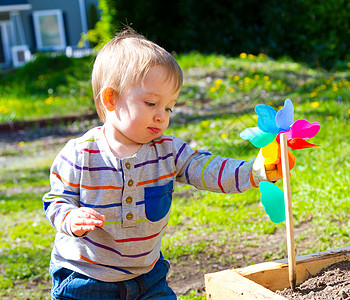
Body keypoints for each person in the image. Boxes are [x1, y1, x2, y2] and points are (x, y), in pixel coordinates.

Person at [43, 28, 281, 300]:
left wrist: (255, 170)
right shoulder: (79, 154)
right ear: (111, 99)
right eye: (151, 103)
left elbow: (208, 170)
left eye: (168, 107)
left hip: (148, 278)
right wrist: (70, 218)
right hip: (86, 279)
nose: (161, 116)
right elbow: (56, 200)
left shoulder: (169, 151)